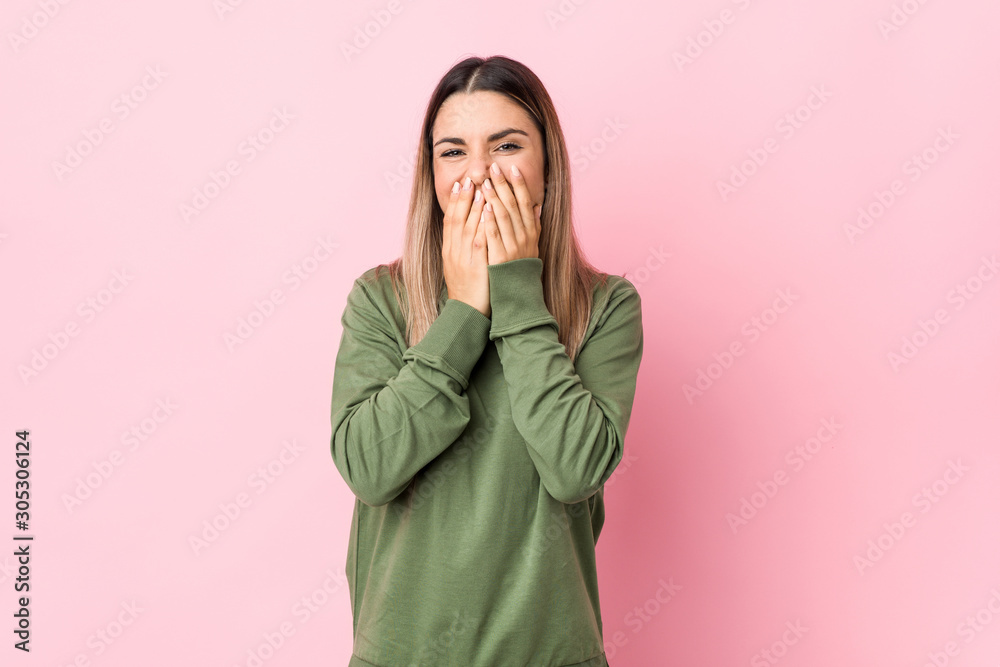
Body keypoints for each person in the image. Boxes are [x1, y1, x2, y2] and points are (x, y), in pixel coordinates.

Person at [329, 54, 644, 667]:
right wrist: (464, 312)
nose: (478, 173)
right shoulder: (379, 300)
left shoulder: (606, 307)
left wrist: (517, 294)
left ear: (548, 166)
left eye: (506, 146)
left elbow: (576, 470)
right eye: (453, 152)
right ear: (431, 176)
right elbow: (368, 468)